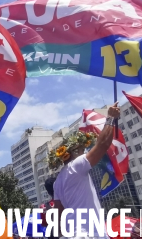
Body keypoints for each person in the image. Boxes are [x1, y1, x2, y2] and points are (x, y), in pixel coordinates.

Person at [53, 102, 121, 239]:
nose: (84, 150)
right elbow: (102, 145)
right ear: (72, 152)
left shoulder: (58, 180)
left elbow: (58, 214)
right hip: (89, 233)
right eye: (80, 149)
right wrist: (110, 118)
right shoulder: (77, 166)